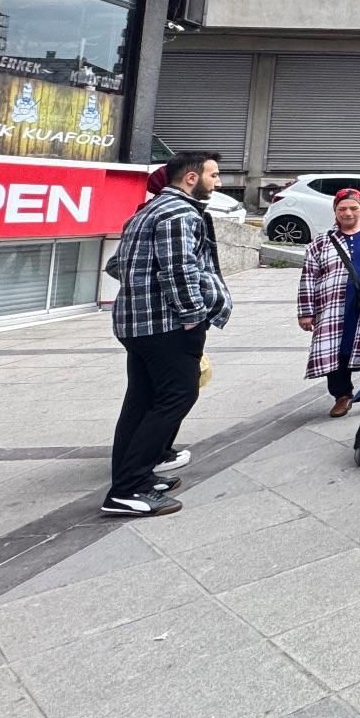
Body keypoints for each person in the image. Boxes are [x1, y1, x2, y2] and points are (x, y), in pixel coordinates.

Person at [100, 151, 231, 517]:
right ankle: (127, 490)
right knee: (178, 396)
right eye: (214, 176)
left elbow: (118, 264)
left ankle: (133, 479)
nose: (217, 183)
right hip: (166, 326)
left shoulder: (147, 211)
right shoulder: (179, 213)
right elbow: (179, 270)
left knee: (141, 402)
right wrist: (192, 316)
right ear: (191, 178)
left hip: (138, 325)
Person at [298, 189, 360, 417]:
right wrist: (306, 312)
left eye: (354, 208)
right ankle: (342, 395)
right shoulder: (322, 242)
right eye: (342, 208)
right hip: (333, 306)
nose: (348, 213)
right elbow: (308, 277)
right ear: (335, 211)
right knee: (336, 351)